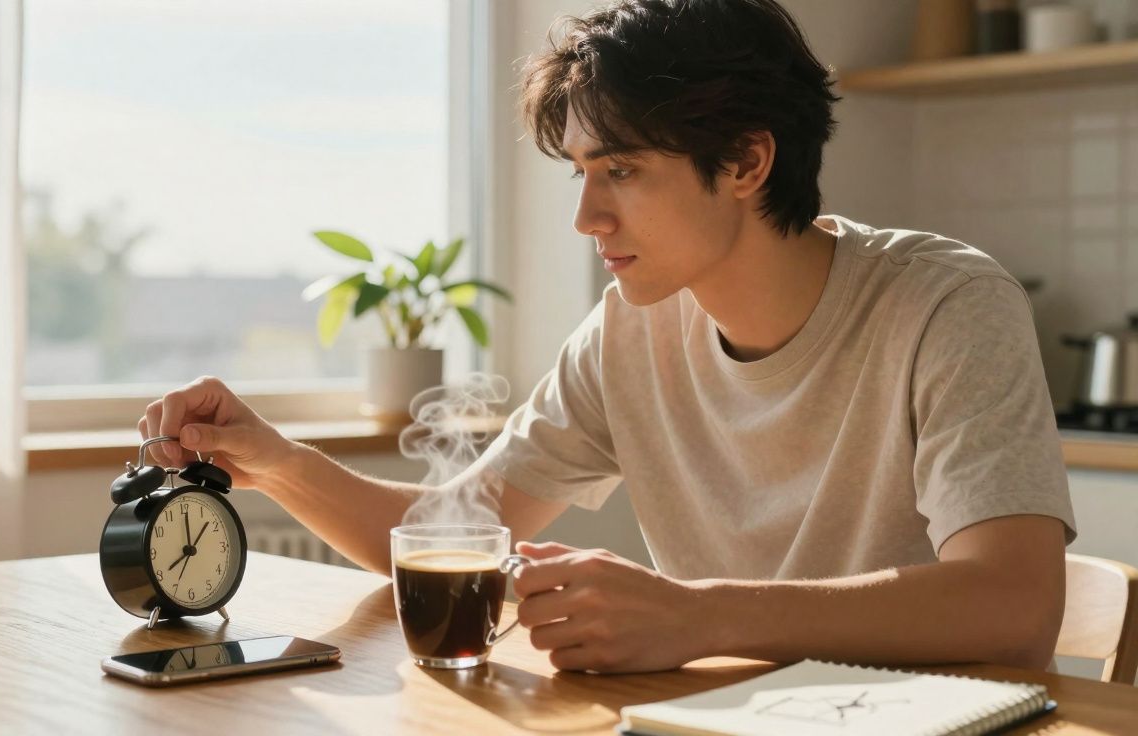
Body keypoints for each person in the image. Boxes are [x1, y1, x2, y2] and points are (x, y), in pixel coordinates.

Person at [139, 0, 1075, 674]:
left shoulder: (947, 305)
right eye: (581, 173)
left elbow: (1014, 606)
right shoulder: (631, 330)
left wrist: (698, 616)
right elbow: (449, 533)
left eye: (620, 170)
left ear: (747, 160)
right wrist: (277, 462)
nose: (587, 217)